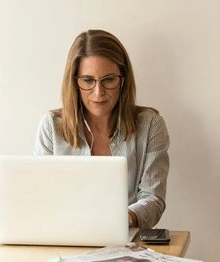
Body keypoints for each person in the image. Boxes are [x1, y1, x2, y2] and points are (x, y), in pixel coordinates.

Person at [33, 29, 169, 229]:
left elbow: (153, 199)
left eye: (108, 80)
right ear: (74, 82)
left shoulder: (150, 125)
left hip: (125, 241)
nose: (98, 92)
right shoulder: (51, 126)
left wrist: (123, 219)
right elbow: (40, 196)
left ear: (123, 80)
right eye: (88, 80)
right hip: (64, 237)